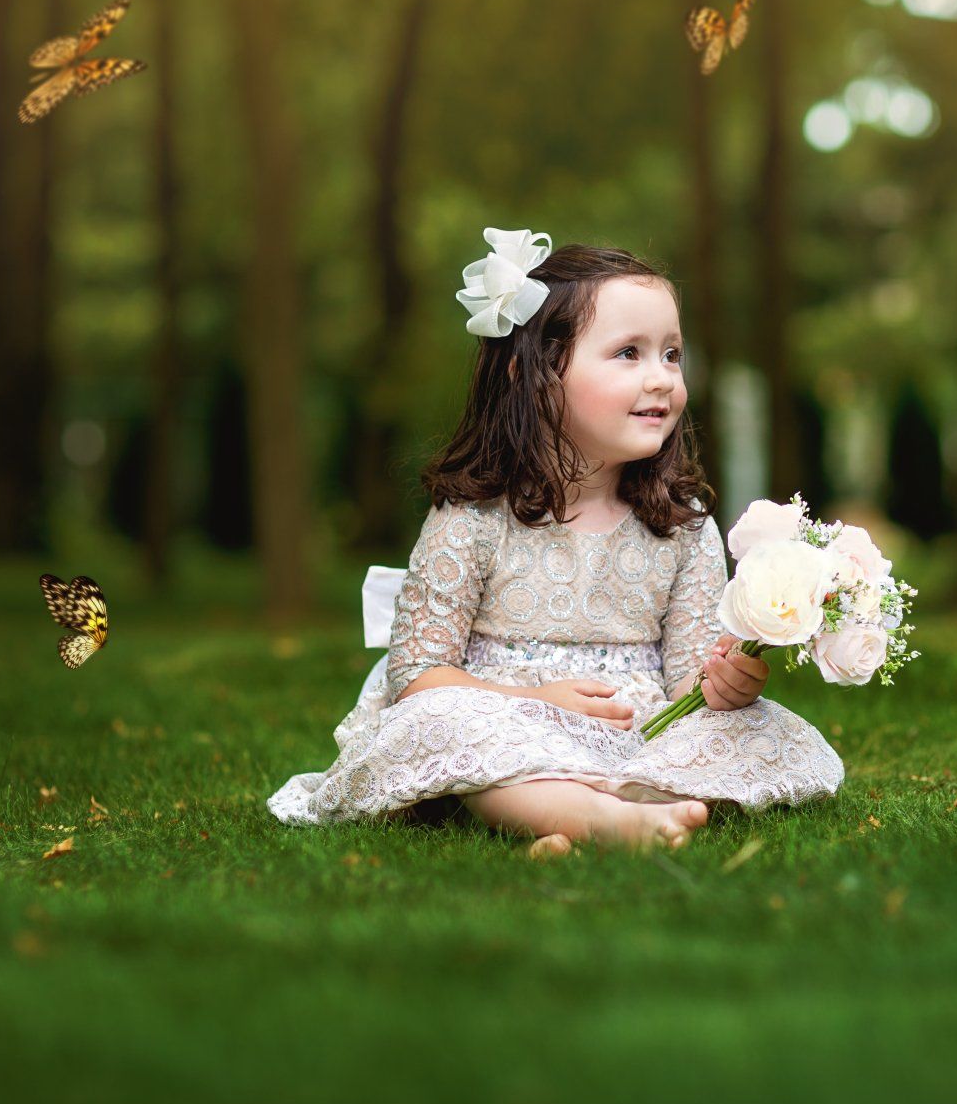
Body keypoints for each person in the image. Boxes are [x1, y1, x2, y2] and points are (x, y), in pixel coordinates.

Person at [267, 227, 844, 854]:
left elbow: (687, 679)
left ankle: (587, 807)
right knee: (439, 724)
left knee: (753, 732)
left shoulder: (684, 523)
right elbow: (417, 672)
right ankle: (599, 818)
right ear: (536, 373)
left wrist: (728, 684)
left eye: (672, 354)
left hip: (633, 728)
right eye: (629, 353)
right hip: (500, 714)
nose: (661, 378)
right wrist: (528, 699)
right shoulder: (475, 516)